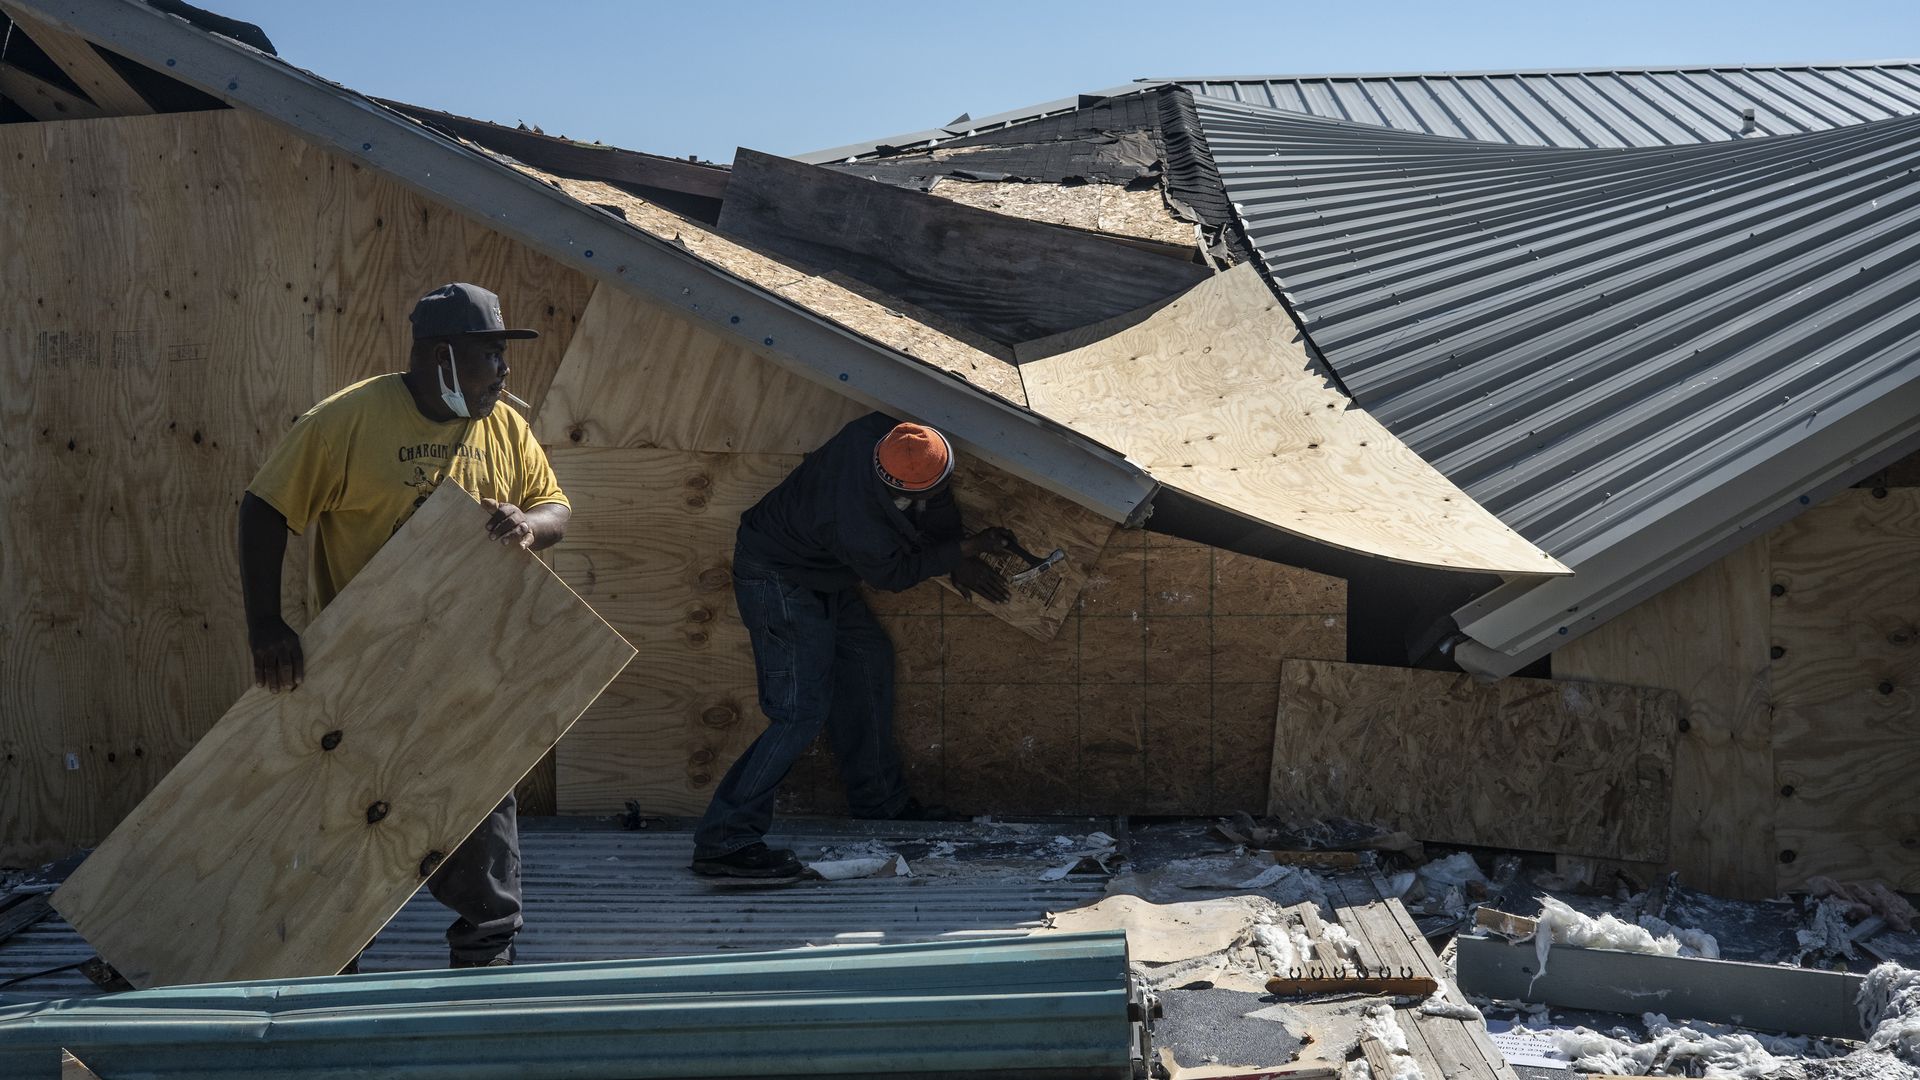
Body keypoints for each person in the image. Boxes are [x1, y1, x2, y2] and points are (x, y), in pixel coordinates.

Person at [237, 282, 570, 968]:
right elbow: (264, 508)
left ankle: (486, 951)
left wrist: (528, 525)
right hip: (364, 659)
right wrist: (266, 622)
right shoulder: (347, 421)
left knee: (480, 800)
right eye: (489, 357)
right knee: (349, 812)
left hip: (466, 658)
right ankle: (334, 954)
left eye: (504, 359)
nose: (504, 374)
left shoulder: (500, 424)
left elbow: (555, 505)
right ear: (439, 356)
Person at [691, 413, 1014, 878]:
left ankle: (879, 803)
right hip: (778, 577)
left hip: (820, 570)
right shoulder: (854, 521)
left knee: (867, 659)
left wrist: (951, 549)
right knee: (800, 710)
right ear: (897, 488)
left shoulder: (885, 435)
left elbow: (935, 496)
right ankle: (724, 838)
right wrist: (959, 553)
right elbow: (893, 575)